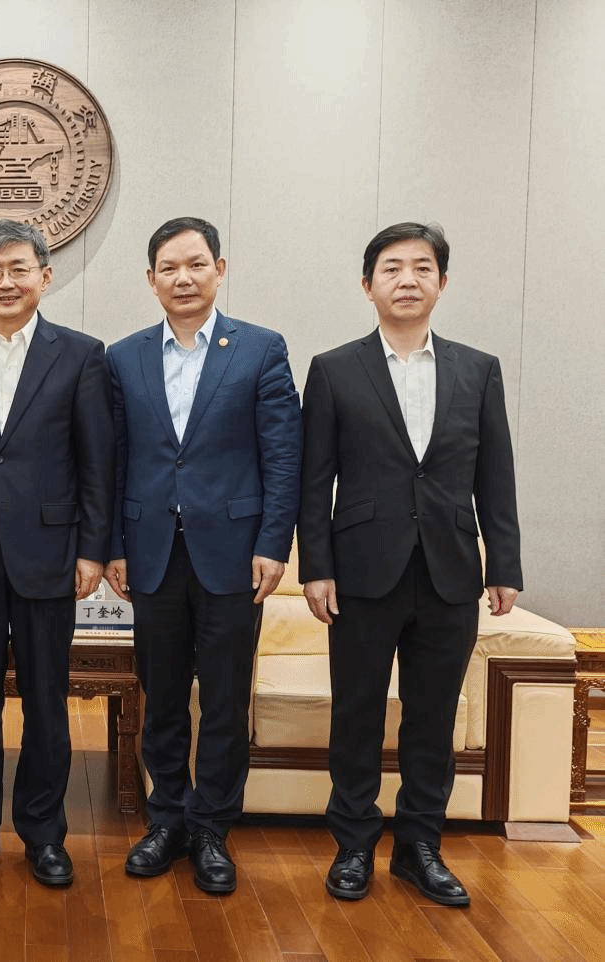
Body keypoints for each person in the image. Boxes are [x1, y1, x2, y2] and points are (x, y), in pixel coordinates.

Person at [298, 222, 521, 907]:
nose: (407, 280)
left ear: (441, 284)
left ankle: (420, 846)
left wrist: (504, 563)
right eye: (392, 268)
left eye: (422, 268)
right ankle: (354, 845)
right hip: (362, 572)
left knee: (432, 718)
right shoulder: (334, 369)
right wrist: (316, 566)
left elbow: (496, 474)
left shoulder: (477, 369)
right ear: (368, 285)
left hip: (450, 571)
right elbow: (314, 480)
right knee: (357, 714)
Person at [103, 217, 301, 894]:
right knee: (160, 697)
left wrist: (273, 543)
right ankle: (166, 821)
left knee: (222, 700)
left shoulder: (261, 349)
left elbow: (283, 456)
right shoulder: (123, 357)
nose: (182, 278)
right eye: (169, 267)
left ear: (220, 269)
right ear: (151, 278)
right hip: (151, 552)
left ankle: (212, 827)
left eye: (195, 264)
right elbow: (114, 459)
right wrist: (113, 546)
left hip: (234, 556)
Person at [0, 219, 114, 887]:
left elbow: (97, 461)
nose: (7, 281)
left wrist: (93, 549)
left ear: (45, 276)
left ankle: (44, 834)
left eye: (19, 269)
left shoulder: (82, 355)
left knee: (46, 700)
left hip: (50, 552)